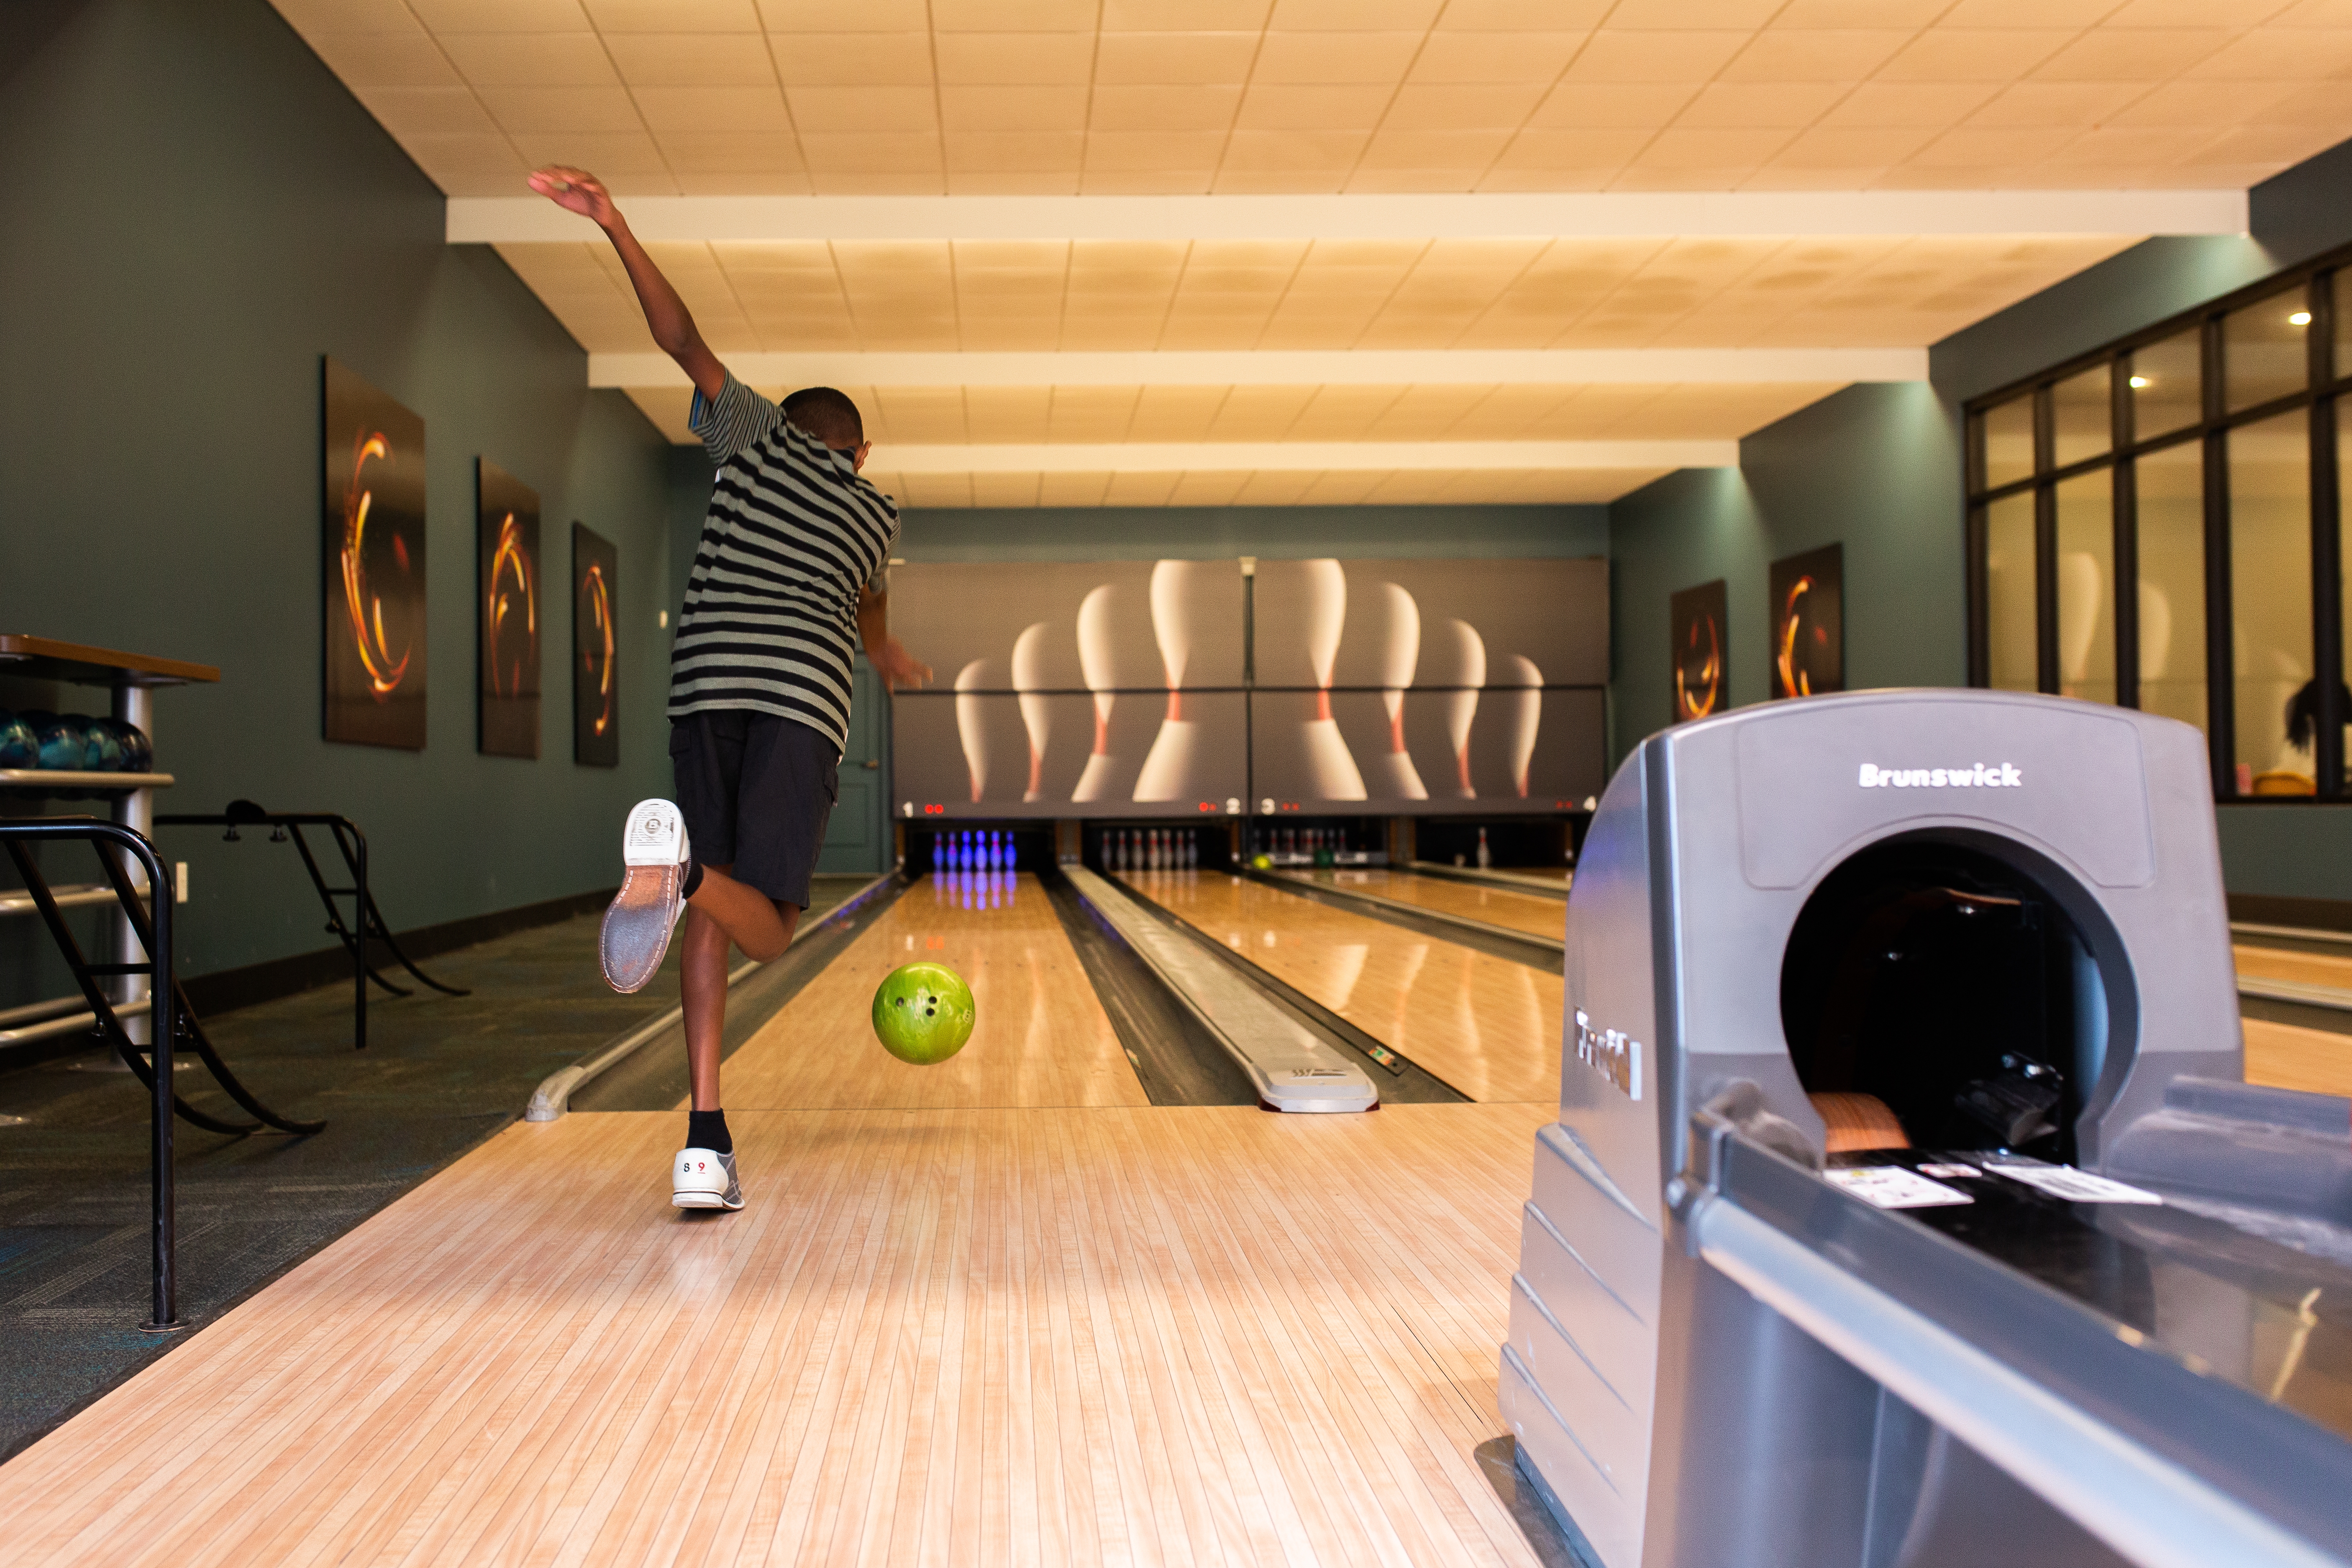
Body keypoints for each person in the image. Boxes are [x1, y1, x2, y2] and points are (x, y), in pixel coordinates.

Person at [529, 165, 931, 1213]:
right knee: (771, 924)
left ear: (779, 425)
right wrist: (886, 657)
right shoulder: (876, 511)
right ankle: (687, 867)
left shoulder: (749, 434)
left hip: (705, 686)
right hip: (800, 702)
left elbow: (680, 336)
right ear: (863, 451)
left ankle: (704, 1139)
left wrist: (614, 224)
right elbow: (869, 605)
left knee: (707, 923)